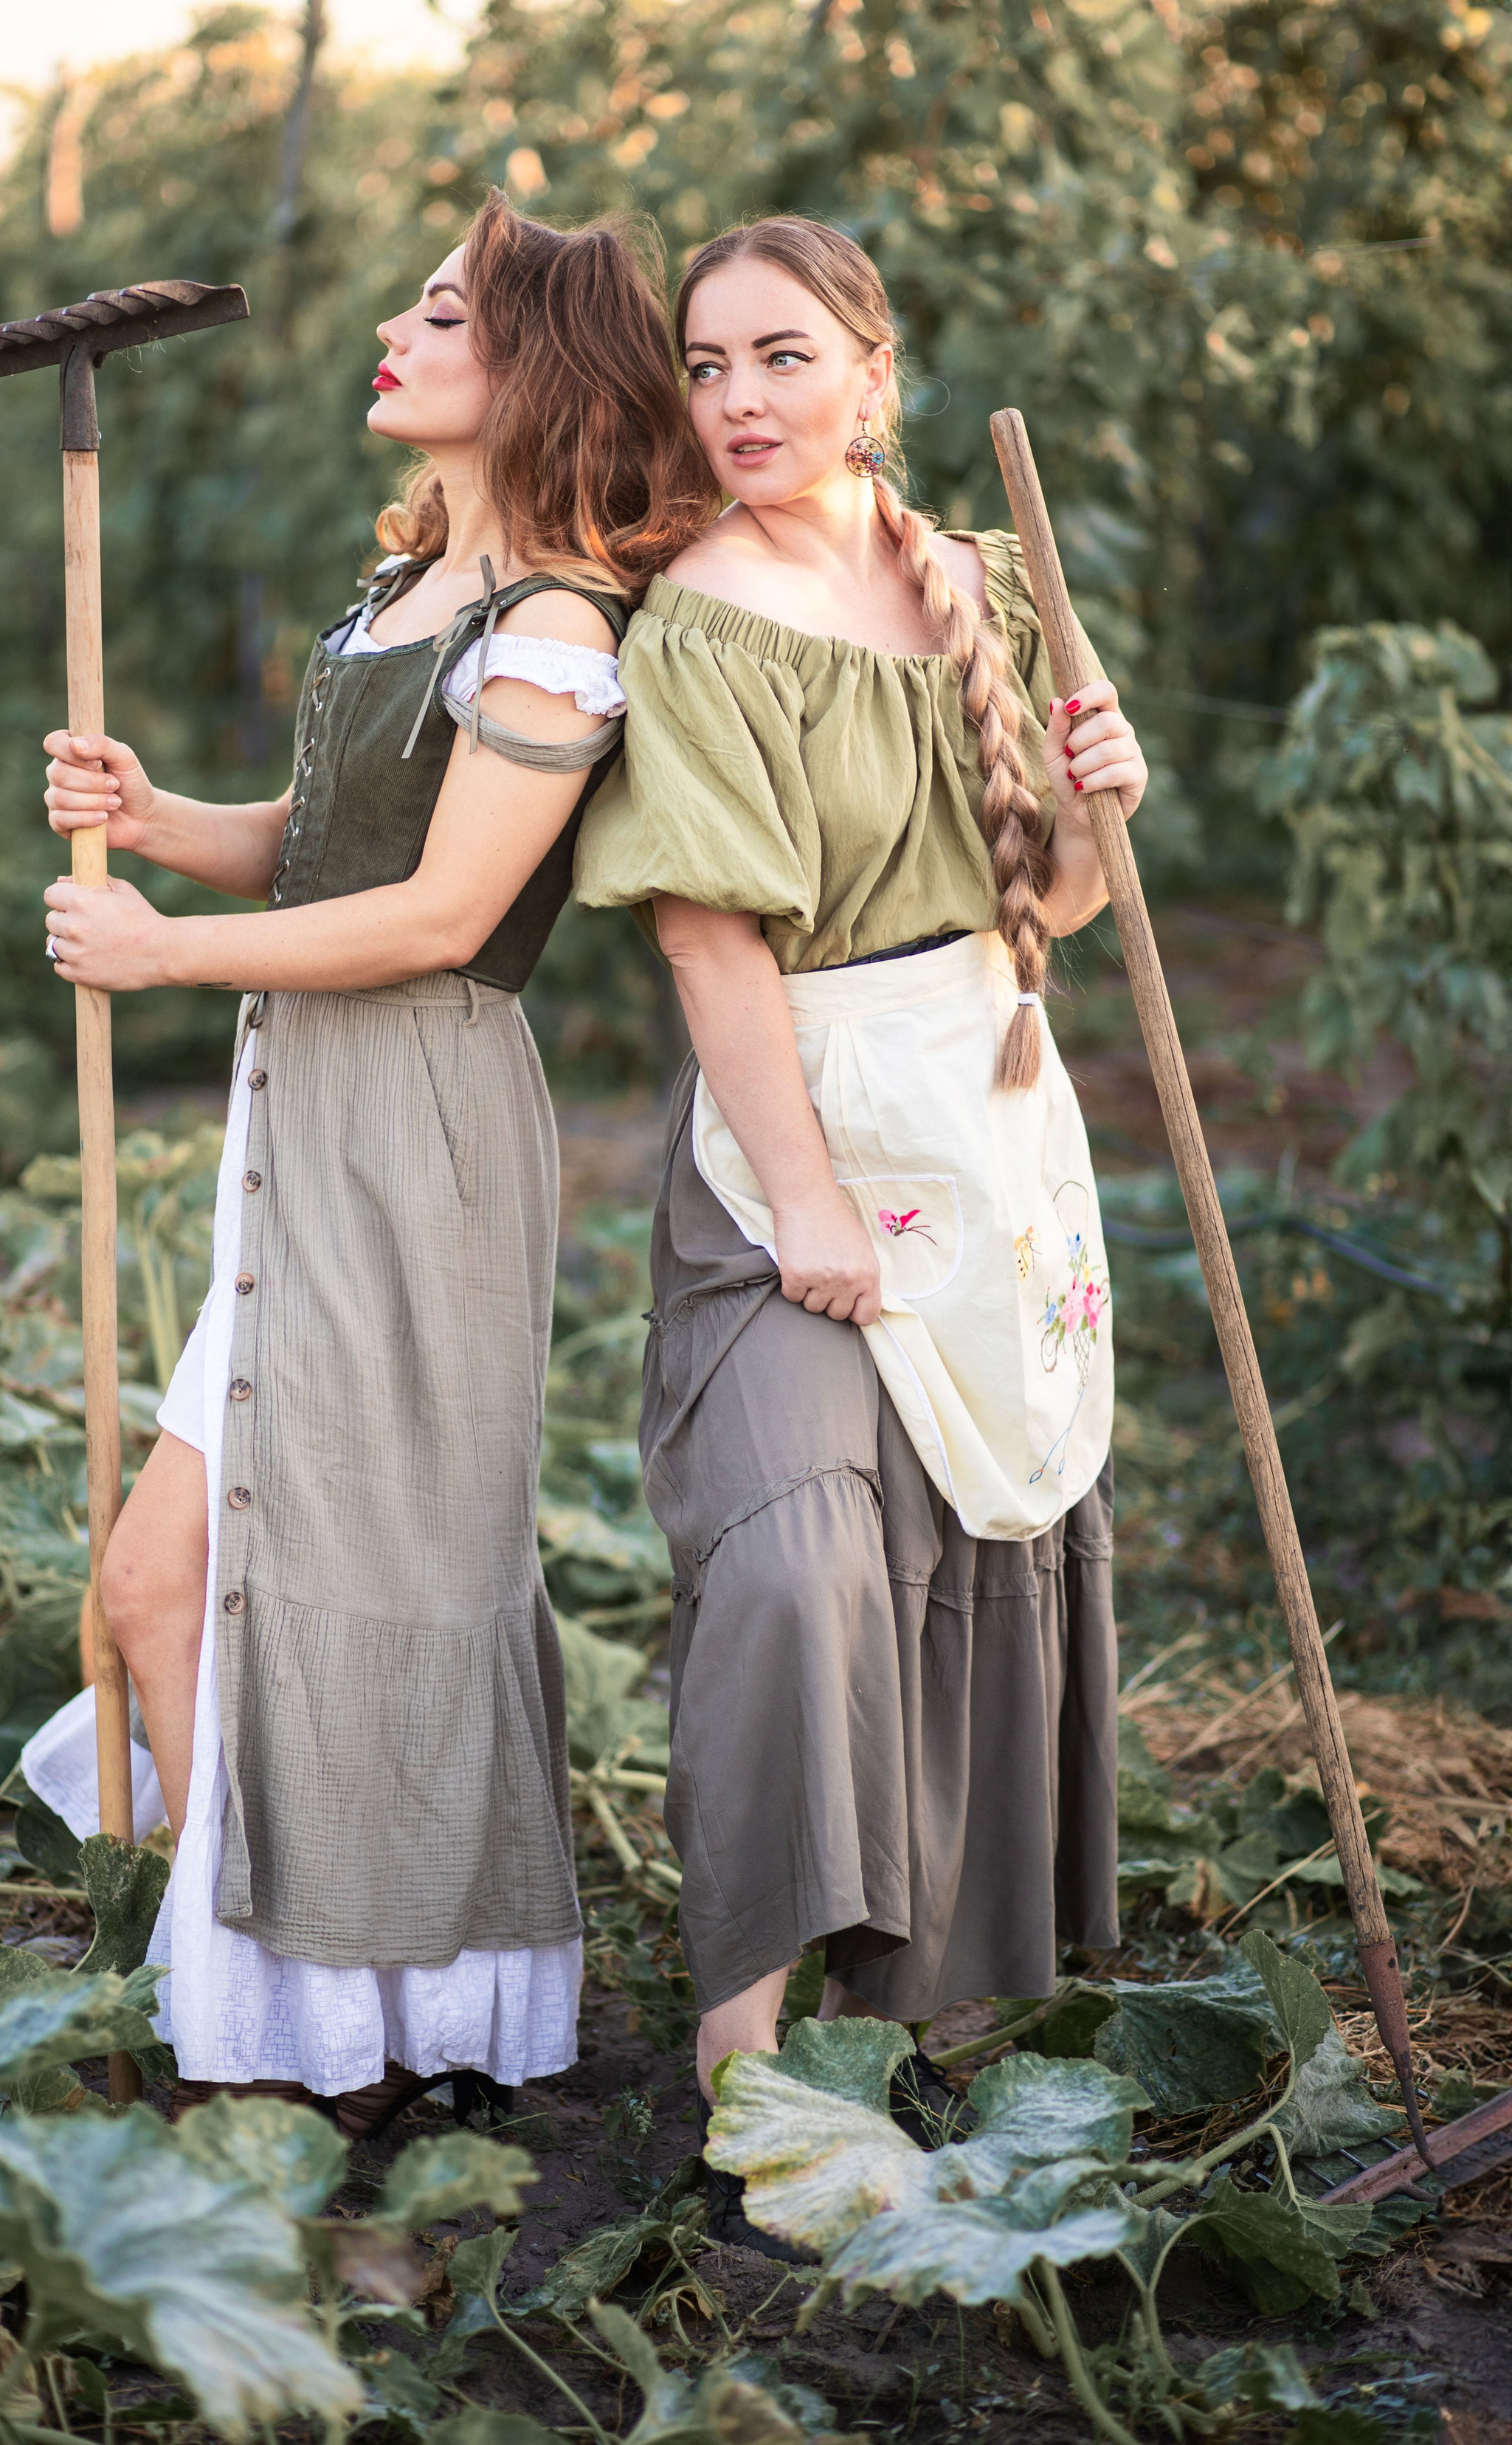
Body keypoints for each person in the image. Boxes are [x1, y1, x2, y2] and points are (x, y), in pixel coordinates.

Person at [19, 190, 714, 2136]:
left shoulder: (555, 627)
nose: (395, 333)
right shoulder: (408, 588)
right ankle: (274, 2014)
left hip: (418, 1120)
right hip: (303, 1110)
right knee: (166, 1582)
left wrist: (163, 952)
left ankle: (354, 2042)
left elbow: (443, 913)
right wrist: (164, 819)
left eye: (444, 313)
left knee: (344, 1567)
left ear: (540, 369)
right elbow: (331, 841)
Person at [573, 217, 1150, 2245]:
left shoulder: (973, 580)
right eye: (707, 363)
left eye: (782, 356)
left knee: (976, 1527)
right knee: (803, 1555)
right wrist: (808, 1193)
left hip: (981, 1120)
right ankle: (743, 2066)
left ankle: (912, 2010)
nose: (737, 400)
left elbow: (1045, 906)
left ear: (872, 375)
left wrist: (1104, 801)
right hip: (792, 1145)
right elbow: (709, 940)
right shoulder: (700, 622)